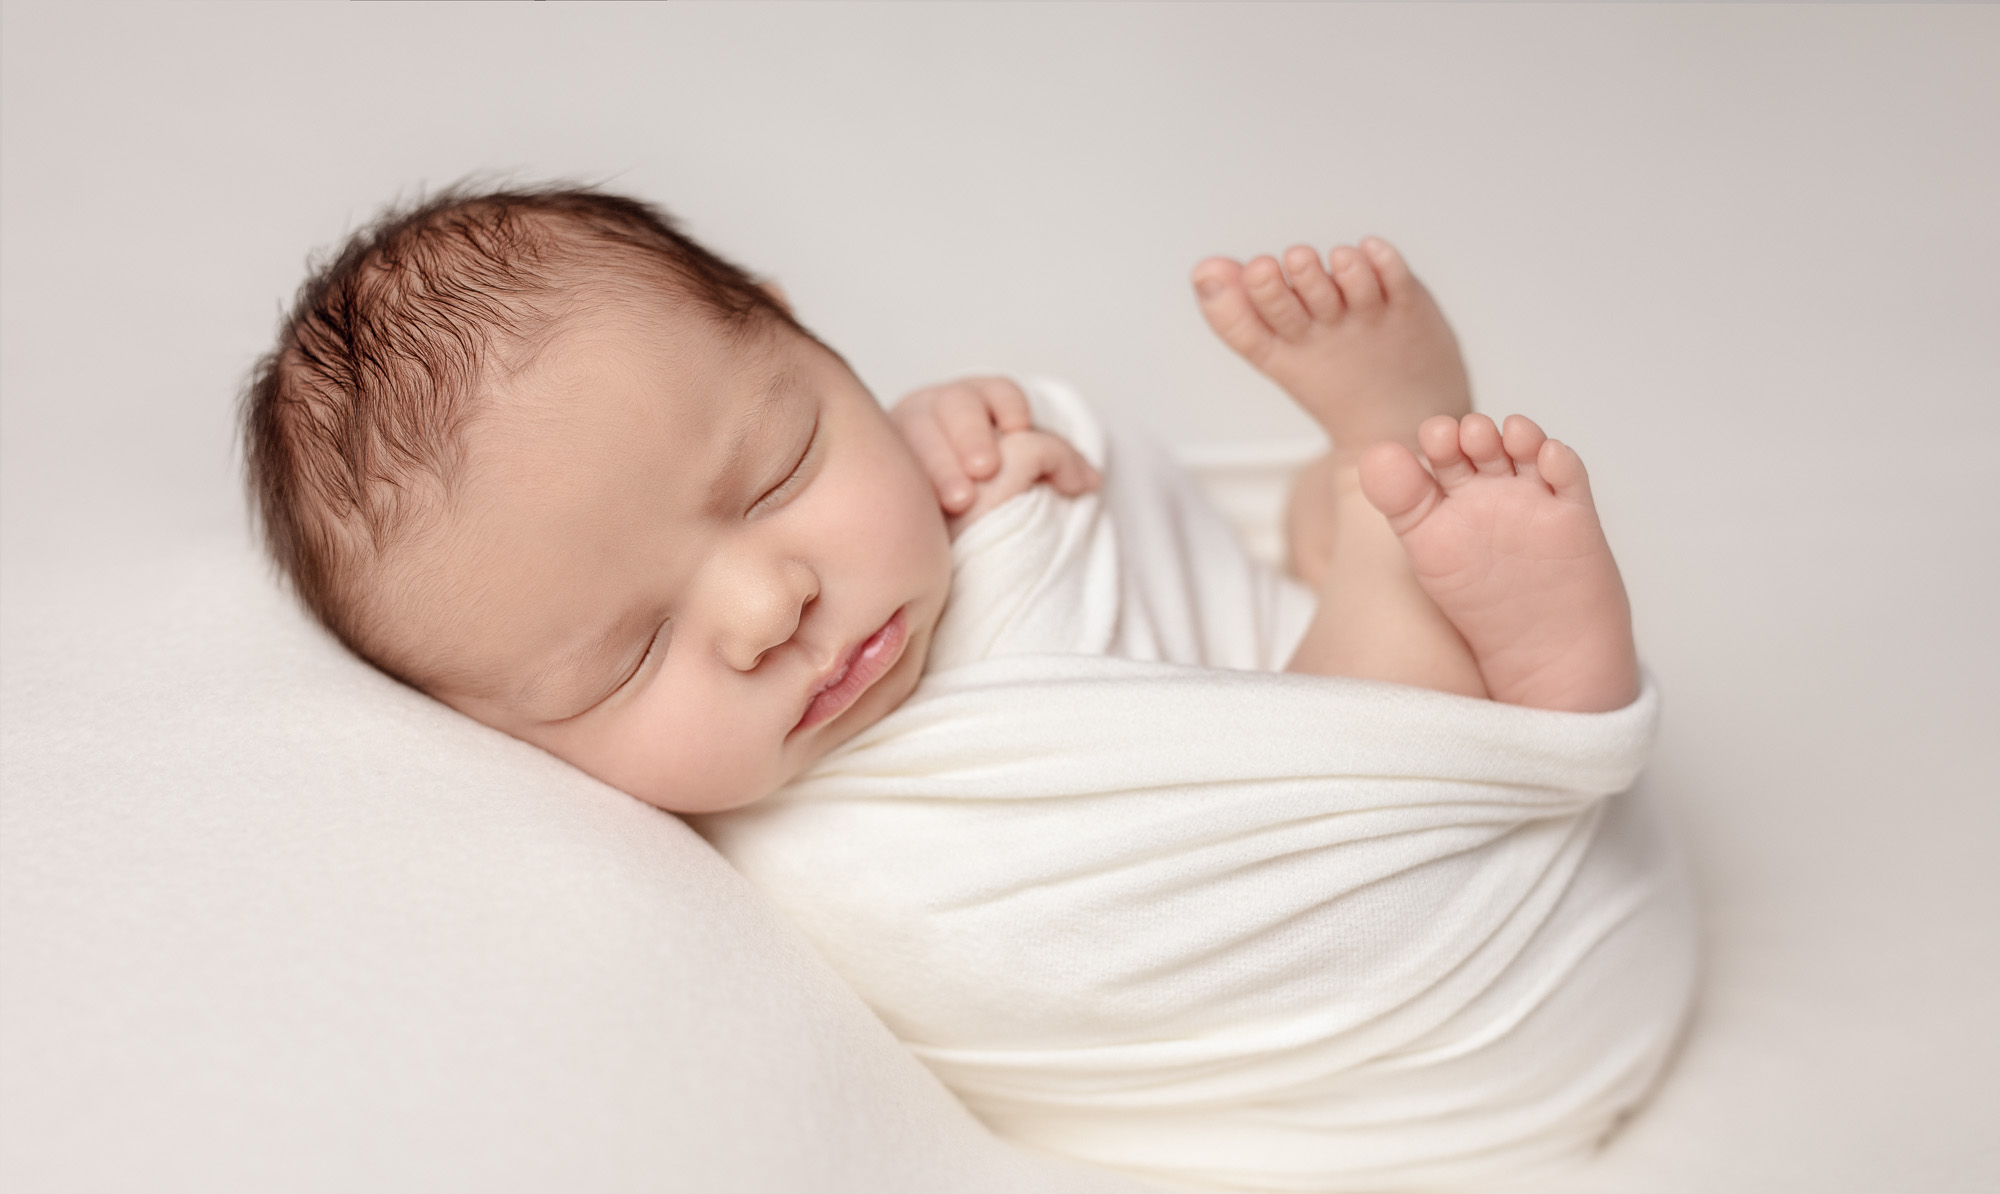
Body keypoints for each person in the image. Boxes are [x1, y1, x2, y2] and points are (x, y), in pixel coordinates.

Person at [243, 186, 1637, 815]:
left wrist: (926, 443)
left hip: (1230, 629)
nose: (764, 602)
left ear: (814, 348)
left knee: (1311, 563)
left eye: (777, 471)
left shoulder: (928, 472)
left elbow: (1079, 513)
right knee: (1348, 733)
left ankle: (1388, 467)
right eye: (625, 653)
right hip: (1265, 785)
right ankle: (1481, 623)